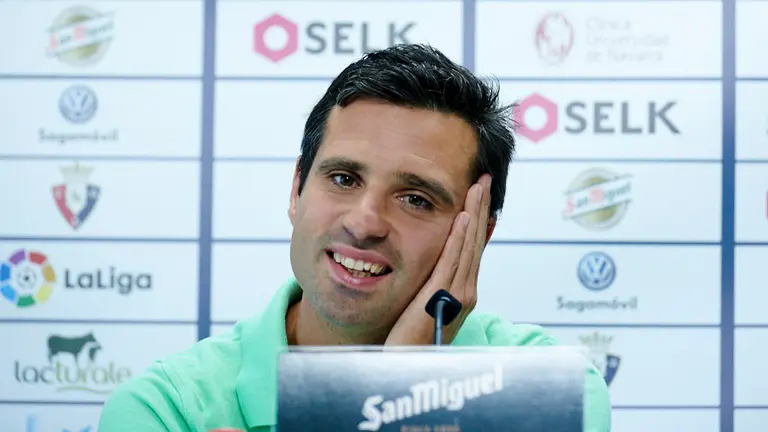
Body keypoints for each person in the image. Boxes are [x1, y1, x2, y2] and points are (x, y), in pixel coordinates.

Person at [98, 43, 611, 431]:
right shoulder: (165, 409)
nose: (365, 222)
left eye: (415, 198)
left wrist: (402, 381)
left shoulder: (550, 395)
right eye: (343, 179)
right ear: (297, 188)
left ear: (479, 231)